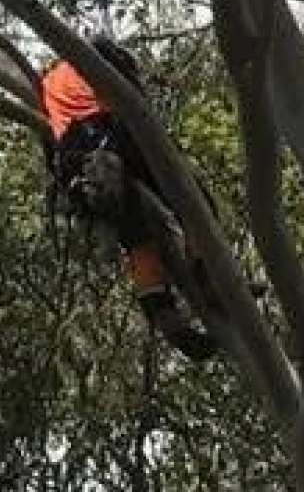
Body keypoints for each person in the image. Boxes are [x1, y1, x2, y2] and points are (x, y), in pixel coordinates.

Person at [39, 36, 219, 362]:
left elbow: (50, 151)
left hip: (76, 161)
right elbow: (132, 93)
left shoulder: (47, 84)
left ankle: (166, 317)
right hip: (107, 137)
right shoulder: (93, 53)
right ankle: (209, 279)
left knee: (136, 237)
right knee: (193, 199)